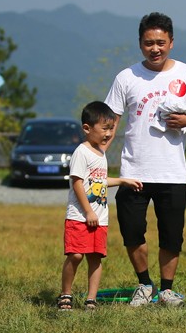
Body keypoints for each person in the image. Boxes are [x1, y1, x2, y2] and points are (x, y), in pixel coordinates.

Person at [104, 12, 186, 307]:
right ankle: (144, 284)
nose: (155, 49)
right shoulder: (126, 77)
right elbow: (111, 121)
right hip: (133, 170)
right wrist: (95, 154)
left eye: (161, 42)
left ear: (172, 43)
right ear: (140, 44)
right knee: (132, 230)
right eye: (149, 43)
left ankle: (166, 289)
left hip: (172, 172)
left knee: (172, 235)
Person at [57, 101, 142, 311]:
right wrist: (88, 211)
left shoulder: (100, 153)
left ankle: (91, 299)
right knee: (75, 255)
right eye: (104, 129)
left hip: (99, 218)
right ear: (87, 128)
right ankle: (65, 294)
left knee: (95, 258)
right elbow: (77, 182)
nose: (108, 134)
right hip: (80, 216)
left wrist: (122, 181)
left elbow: (98, 181)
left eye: (111, 129)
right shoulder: (82, 152)